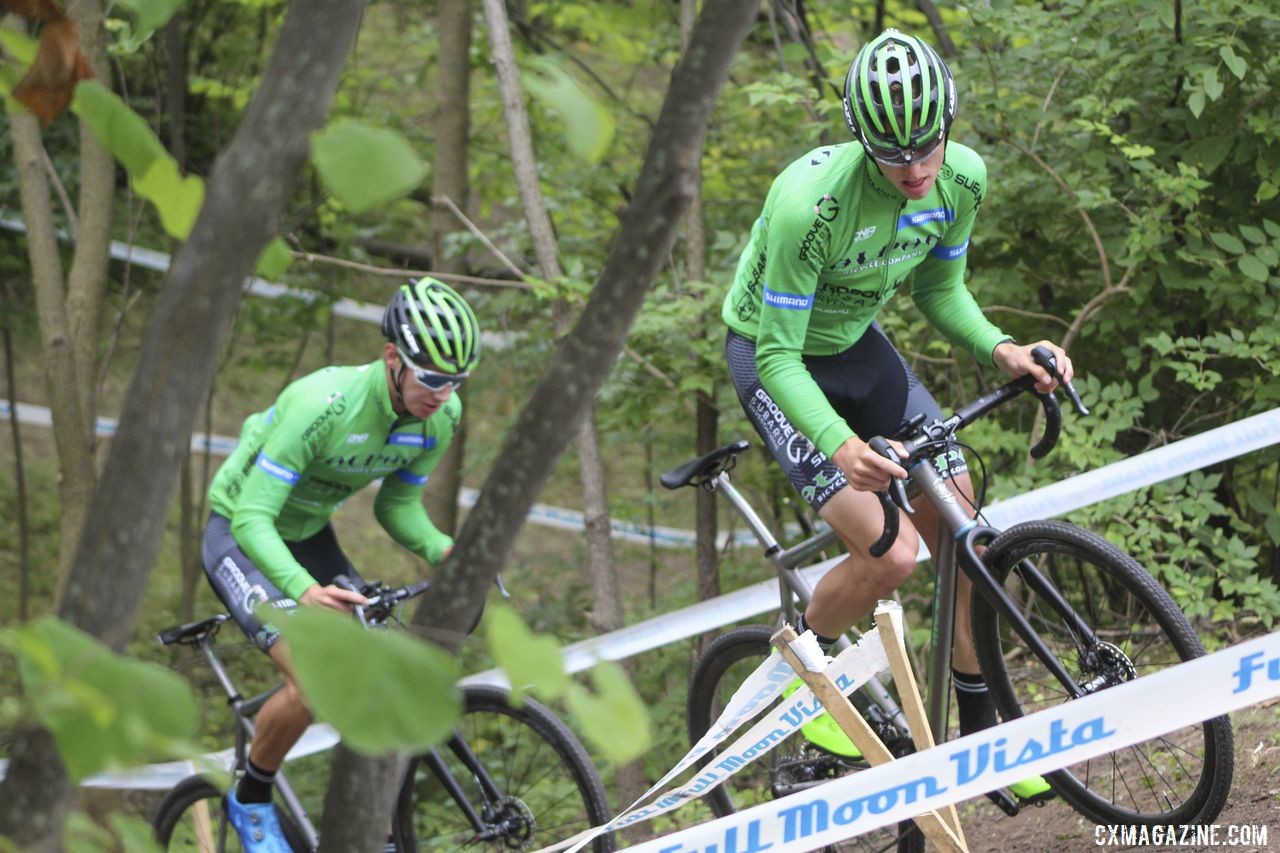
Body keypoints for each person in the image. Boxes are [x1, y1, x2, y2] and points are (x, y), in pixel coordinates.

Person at [722, 29, 1072, 803]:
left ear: (948, 124)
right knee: (892, 554)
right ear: (860, 138)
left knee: (962, 527)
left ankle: (982, 740)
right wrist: (839, 445)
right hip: (776, 358)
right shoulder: (807, 207)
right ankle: (804, 679)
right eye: (893, 155)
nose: (915, 169)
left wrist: (1002, 347)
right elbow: (779, 358)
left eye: (928, 147)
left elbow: (939, 292)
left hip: (857, 345)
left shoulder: (964, 179)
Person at [202, 277, 479, 850]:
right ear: (392, 358)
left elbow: (397, 504)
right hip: (241, 534)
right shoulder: (321, 405)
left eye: (457, 381)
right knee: (315, 680)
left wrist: (442, 549)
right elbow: (254, 518)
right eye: (432, 378)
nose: (444, 393)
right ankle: (250, 799)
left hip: (307, 535)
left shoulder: (439, 419)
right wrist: (303, 591)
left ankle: (371, 828)